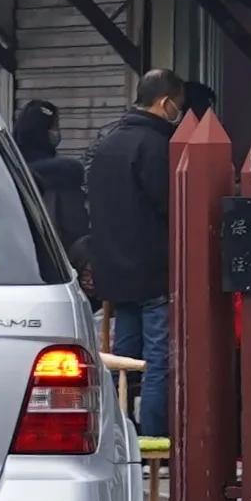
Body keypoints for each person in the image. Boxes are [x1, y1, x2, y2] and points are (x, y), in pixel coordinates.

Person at [77, 70, 183, 437]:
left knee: (124, 361)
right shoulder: (156, 147)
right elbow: (170, 206)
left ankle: (118, 435)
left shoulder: (108, 144)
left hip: (115, 272)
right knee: (157, 363)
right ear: (166, 102)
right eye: (177, 105)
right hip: (152, 270)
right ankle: (154, 440)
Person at [14, 101, 88, 267]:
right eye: (54, 127)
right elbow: (75, 230)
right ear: (42, 131)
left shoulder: (5, 166)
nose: (57, 133)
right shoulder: (65, 174)